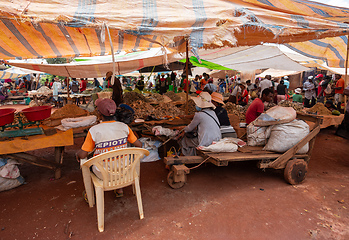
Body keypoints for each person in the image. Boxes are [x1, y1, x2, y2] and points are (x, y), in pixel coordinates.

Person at [76, 98, 142, 197]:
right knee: (117, 159)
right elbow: (139, 145)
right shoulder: (124, 127)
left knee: (87, 164)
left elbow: (82, 155)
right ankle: (119, 190)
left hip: (102, 174)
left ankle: (90, 194)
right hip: (124, 171)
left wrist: (77, 154)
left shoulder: (94, 130)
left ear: (99, 113)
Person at [180, 92, 221, 156]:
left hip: (206, 142)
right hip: (217, 141)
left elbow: (189, 128)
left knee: (184, 140)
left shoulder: (199, 115)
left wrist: (183, 130)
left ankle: (187, 157)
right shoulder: (213, 113)